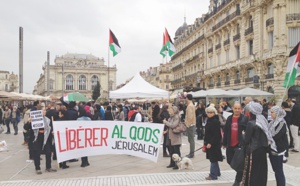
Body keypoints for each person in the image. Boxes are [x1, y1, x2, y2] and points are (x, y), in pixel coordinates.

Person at [243, 102, 275, 186]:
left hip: (254, 150)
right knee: (261, 170)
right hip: (262, 149)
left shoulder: (251, 123)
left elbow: (246, 139)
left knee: (253, 170)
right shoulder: (263, 121)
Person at [24, 107, 57, 174]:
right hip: (37, 138)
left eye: (45, 110)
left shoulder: (47, 119)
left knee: (48, 152)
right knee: (37, 153)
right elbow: (26, 128)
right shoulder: (34, 119)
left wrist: (52, 131)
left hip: (46, 138)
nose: (45, 111)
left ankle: (48, 167)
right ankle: (37, 168)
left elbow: (50, 128)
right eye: (43, 110)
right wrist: (29, 122)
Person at [222, 102, 248, 186]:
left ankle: (237, 181)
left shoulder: (244, 118)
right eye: (235, 108)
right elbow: (226, 131)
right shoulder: (229, 118)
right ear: (232, 108)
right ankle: (242, 175)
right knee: (230, 161)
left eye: (238, 108)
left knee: (239, 163)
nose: (237, 110)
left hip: (239, 145)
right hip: (230, 144)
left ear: (241, 109)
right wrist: (224, 142)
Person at [269, 106, 287, 186]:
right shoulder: (272, 122)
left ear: (277, 113)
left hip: (278, 150)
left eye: (272, 112)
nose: (270, 114)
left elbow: (276, 136)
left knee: (279, 171)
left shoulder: (282, 123)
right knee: (276, 171)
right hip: (272, 150)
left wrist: (268, 138)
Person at [204, 106, 223, 180]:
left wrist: (210, 143)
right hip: (210, 142)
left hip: (214, 143)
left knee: (213, 159)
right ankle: (217, 172)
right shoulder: (209, 120)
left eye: (211, 112)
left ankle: (213, 175)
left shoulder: (215, 121)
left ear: (214, 113)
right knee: (213, 158)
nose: (209, 114)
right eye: (208, 112)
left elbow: (216, 134)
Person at [163, 105, 182, 170]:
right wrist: (166, 131)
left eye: (171, 110)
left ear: (174, 111)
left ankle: (178, 164)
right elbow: (169, 127)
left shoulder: (177, 117)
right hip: (170, 136)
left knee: (176, 151)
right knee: (171, 150)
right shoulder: (170, 117)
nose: (169, 111)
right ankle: (172, 163)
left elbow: (173, 125)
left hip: (175, 136)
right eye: (169, 110)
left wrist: (166, 122)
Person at [185, 94, 196, 158]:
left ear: (187, 98)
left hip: (190, 124)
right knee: (191, 139)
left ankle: (191, 153)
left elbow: (190, 116)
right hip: (192, 124)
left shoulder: (189, 106)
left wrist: (188, 124)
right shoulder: (192, 105)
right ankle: (191, 152)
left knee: (191, 140)